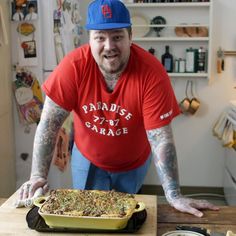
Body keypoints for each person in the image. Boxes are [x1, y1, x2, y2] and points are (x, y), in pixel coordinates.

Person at [18, 0, 219, 217]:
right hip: (88, 159)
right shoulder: (73, 67)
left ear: (130, 36)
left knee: (125, 217)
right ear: (90, 39)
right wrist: (38, 175)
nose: (109, 46)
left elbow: (160, 138)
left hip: (134, 162)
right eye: (100, 38)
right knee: (86, 217)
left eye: (117, 36)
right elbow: (49, 124)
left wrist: (173, 194)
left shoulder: (151, 72)